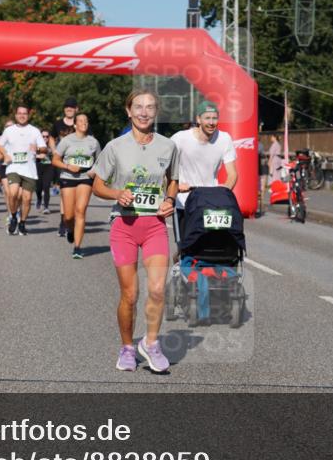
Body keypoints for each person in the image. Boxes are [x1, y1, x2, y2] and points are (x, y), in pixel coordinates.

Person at [92, 89, 179, 373]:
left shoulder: (168, 147)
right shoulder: (115, 147)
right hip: (124, 226)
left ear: (156, 113)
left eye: (150, 107)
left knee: (157, 289)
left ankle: (151, 343)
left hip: (154, 225)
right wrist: (117, 193)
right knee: (130, 294)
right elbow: (98, 185)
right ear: (128, 111)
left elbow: (173, 181)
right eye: (138, 107)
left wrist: (169, 199)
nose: (144, 112)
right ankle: (128, 347)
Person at [171, 100, 238, 233]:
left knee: (211, 248)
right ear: (198, 119)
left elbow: (233, 174)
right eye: (207, 118)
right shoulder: (180, 138)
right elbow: (163, 165)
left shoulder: (224, 139)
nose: (211, 122)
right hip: (185, 201)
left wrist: (225, 189)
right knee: (186, 246)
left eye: (214, 118)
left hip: (211, 203)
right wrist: (175, 185)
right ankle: (181, 252)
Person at [52, 112, 100, 259]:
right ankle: (70, 230)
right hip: (68, 177)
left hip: (85, 178)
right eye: (81, 120)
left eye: (86, 120)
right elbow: (55, 160)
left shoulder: (93, 142)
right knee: (68, 216)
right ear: (75, 124)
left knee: (80, 211)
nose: (84, 123)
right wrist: (67, 166)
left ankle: (77, 247)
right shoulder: (67, 141)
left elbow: (100, 161)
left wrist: (94, 172)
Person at [0, 105, 46, 236]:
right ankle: (13, 216)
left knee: (27, 199)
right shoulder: (9, 130)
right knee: (12, 194)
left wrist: (38, 148)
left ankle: (22, 222)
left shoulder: (34, 131)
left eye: (25, 113)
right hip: (13, 167)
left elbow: (44, 148)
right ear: (16, 115)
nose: (22, 115)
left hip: (29, 169)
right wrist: (5, 155)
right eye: (20, 113)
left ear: (28, 115)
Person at [49, 97, 78, 232]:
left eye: (71, 107)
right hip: (62, 163)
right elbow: (50, 137)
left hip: (78, 162)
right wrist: (54, 150)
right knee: (64, 193)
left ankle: (73, 219)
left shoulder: (80, 123)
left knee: (77, 195)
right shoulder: (58, 124)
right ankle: (63, 221)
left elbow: (90, 139)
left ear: (76, 109)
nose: (69, 109)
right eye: (67, 107)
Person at [35, 129, 55, 215]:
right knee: (38, 187)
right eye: (43, 136)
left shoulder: (52, 145)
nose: (45, 138)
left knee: (46, 186)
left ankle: (46, 207)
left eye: (47, 136)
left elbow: (57, 155)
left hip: (49, 167)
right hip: (38, 166)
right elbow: (30, 154)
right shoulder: (36, 145)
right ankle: (39, 199)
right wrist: (38, 156)